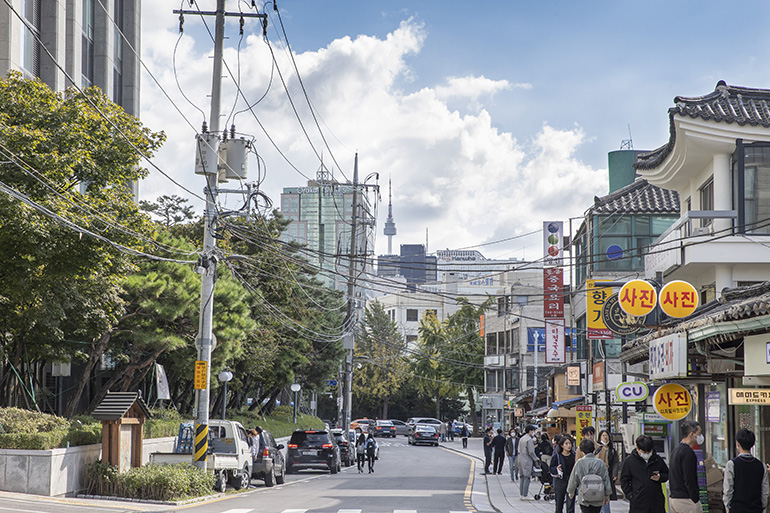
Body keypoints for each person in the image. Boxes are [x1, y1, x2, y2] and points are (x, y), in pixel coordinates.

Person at [723, 428, 769, 513]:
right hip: (756, 509)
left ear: (737, 444)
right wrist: (762, 507)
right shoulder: (761, 466)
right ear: (753, 444)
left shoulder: (731, 464)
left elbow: (728, 490)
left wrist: (728, 507)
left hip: (737, 509)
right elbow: (765, 492)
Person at [620, 434, 669, 513]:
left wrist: (660, 477)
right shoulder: (630, 461)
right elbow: (624, 480)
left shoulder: (657, 459)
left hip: (656, 501)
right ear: (637, 449)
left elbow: (667, 474)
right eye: (644, 452)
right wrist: (630, 495)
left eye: (649, 451)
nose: (647, 454)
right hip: (638, 502)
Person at [567, 438, 611, 513]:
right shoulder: (601, 463)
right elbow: (605, 479)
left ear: (582, 450)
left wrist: (571, 491)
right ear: (594, 449)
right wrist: (607, 495)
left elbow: (574, 478)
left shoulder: (579, 463)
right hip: (598, 496)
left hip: (584, 495)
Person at [669, 420, 703, 513]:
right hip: (686, 500)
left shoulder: (676, 450)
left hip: (674, 499)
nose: (700, 436)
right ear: (691, 434)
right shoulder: (688, 453)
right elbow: (689, 478)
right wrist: (695, 499)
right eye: (699, 433)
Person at [595, 430, 620, 513]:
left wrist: (614, 474)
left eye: (606, 436)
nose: (605, 437)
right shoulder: (597, 449)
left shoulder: (612, 450)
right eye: (603, 436)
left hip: (608, 475)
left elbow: (616, 462)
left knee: (606, 494)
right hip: (598, 475)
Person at [550, 435, 576, 513]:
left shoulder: (574, 456)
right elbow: (551, 468)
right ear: (562, 445)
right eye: (566, 444)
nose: (569, 446)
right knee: (559, 504)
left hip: (571, 481)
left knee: (570, 504)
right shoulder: (557, 456)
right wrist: (557, 469)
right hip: (560, 481)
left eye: (570, 444)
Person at [518, 425, 539, 500]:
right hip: (527, 460)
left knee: (522, 477)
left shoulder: (522, 439)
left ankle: (521, 494)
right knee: (527, 477)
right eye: (533, 431)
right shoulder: (529, 440)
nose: (533, 432)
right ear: (530, 431)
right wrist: (536, 458)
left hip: (521, 459)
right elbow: (531, 451)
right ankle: (525, 495)